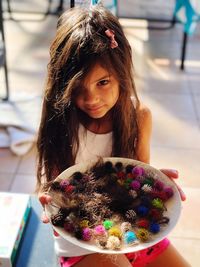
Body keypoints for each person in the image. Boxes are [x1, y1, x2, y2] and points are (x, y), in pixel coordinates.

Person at [36, 4, 190, 267]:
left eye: (102, 82)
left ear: (121, 74)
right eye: (78, 87)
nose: (91, 99)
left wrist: (155, 183)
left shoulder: (139, 116)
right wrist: (50, 199)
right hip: (81, 241)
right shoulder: (60, 119)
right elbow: (58, 188)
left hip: (132, 230)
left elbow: (137, 177)